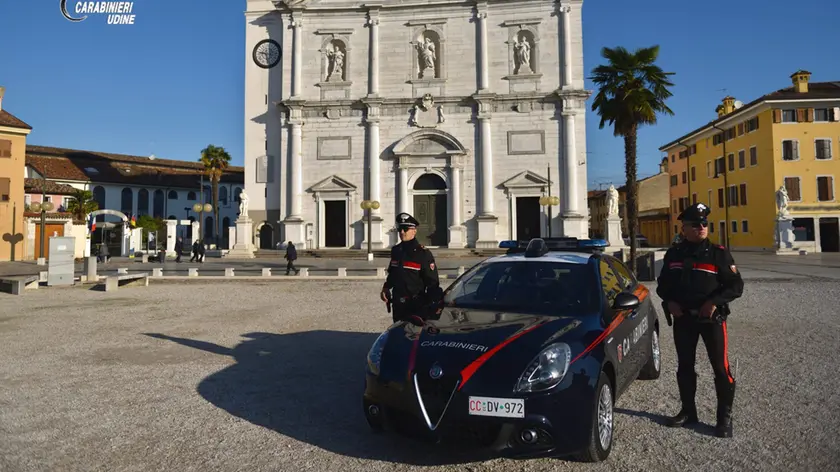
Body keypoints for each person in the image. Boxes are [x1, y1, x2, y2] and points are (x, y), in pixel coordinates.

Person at [656, 202, 744, 438]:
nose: (702, 227)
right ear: (684, 228)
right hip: (684, 319)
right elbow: (663, 285)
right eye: (696, 224)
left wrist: (713, 301)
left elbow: (736, 286)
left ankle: (724, 419)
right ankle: (688, 412)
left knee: (720, 368)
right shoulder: (674, 254)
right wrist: (669, 302)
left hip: (711, 320)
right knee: (685, 366)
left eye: (705, 223)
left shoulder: (719, 253)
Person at [379, 212, 443, 323]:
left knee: (414, 336)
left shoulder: (423, 254)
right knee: (398, 334)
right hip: (398, 304)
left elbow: (432, 282)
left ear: (414, 230)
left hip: (416, 305)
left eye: (405, 229)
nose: (402, 232)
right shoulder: (396, 250)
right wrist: (386, 287)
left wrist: (435, 304)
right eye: (400, 229)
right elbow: (393, 273)